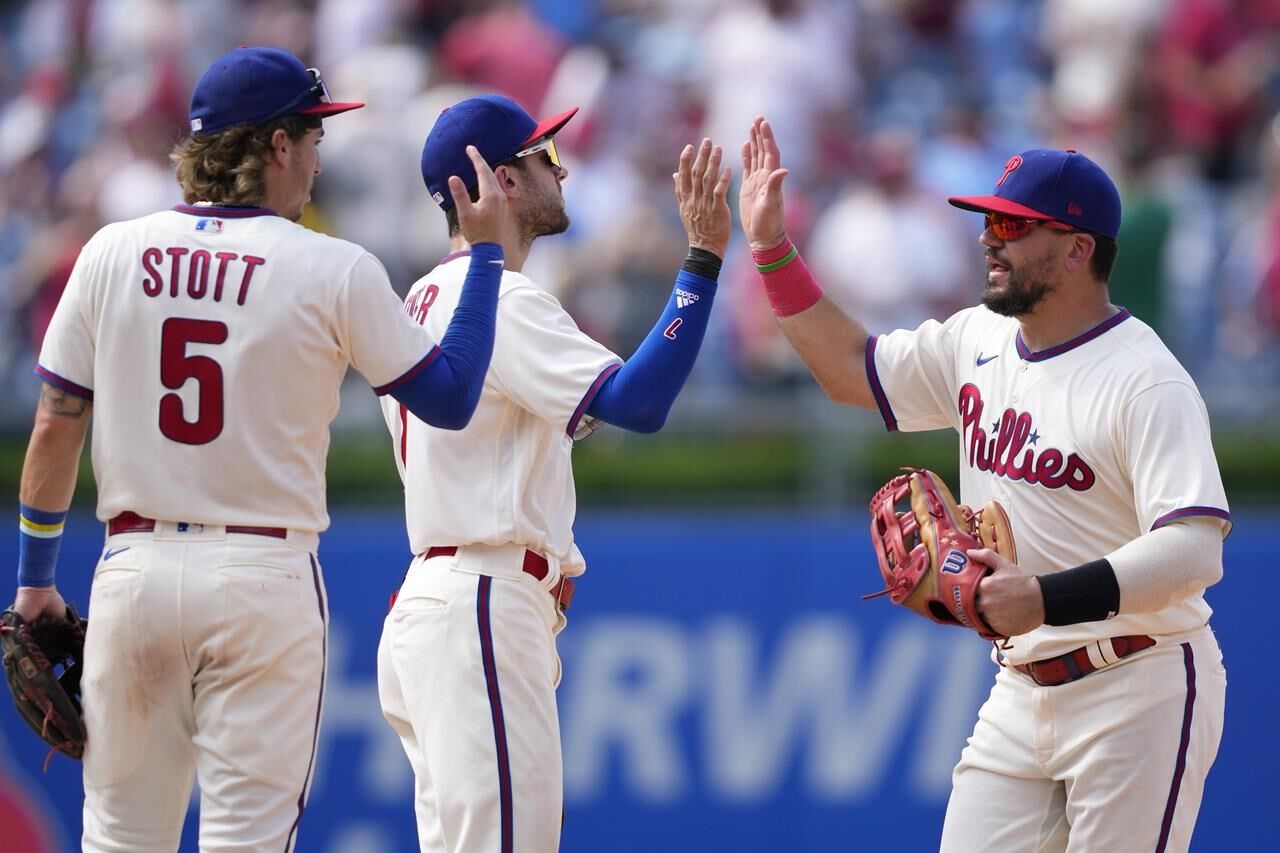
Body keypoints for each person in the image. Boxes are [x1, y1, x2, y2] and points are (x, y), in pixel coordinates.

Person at [11, 45, 509, 852]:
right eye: (311, 138)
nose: (317, 160)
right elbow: (449, 399)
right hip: (260, 578)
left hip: (131, 572)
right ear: (275, 146)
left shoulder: (111, 249)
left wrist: (35, 584)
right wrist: (485, 258)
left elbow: (57, 421)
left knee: (118, 842)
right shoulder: (331, 266)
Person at [738, 117, 1229, 851]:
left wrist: (1043, 595)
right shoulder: (978, 339)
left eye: (1012, 224)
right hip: (1020, 684)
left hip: (1139, 681)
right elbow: (849, 370)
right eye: (987, 220)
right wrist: (772, 249)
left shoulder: (1145, 379)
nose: (987, 238)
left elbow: (1194, 549)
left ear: (1076, 250)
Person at [376, 94, 731, 852]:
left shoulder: (422, 295)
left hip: (449, 598)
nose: (560, 170)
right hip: (482, 597)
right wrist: (701, 261)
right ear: (500, 179)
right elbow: (639, 402)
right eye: (545, 156)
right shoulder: (500, 295)